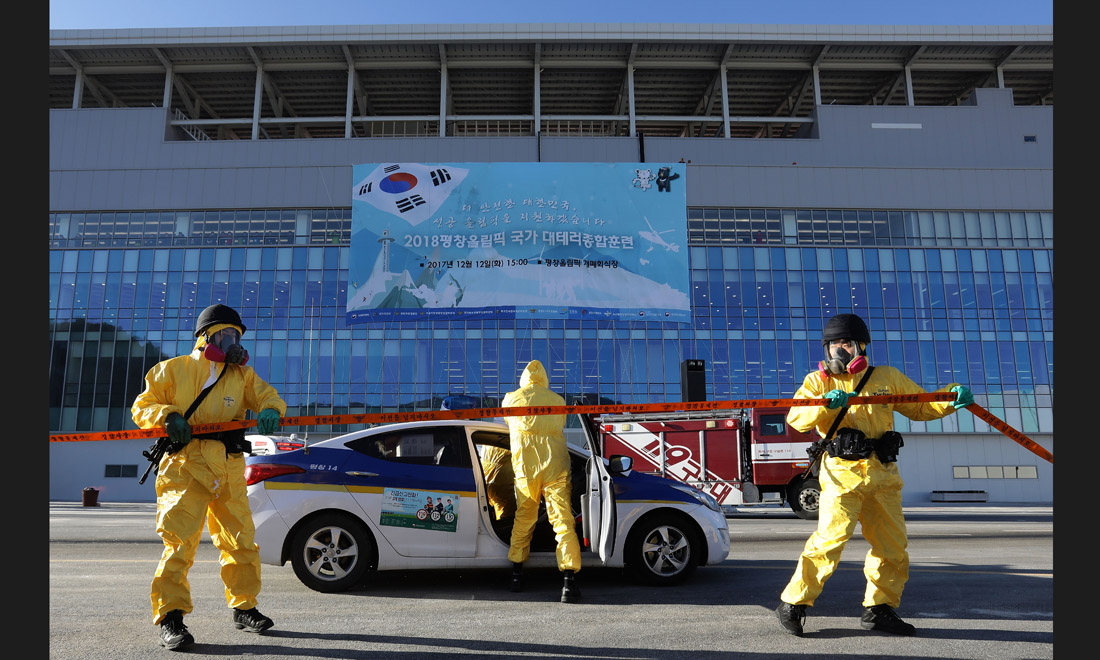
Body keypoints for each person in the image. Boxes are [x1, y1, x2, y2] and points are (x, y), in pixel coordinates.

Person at [775, 313, 973, 637]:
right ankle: (793, 604)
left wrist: (950, 398)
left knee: (892, 548)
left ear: (861, 348)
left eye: (847, 345)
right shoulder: (817, 382)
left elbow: (920, 407)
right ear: (826, 350)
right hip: (842, 477)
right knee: (829, 543)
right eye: (834, 346)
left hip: (883, 476)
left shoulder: (886, 377)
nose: (840, 352)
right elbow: (797, 418)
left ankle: (879, 609)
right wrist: (824, 404)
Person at [132, 303, 287, 651]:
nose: (231, 340)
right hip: (185, 468)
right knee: (179, 545)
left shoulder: (242, 376)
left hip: (228, 466)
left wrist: (271, 409)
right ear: (204, 338)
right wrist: (168, 415)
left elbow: (268, 396)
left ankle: (244, 606)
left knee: (241, 541)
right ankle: (170, 617)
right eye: (224, 334)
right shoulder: (171, 370)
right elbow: (143, 405)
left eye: (235, 334)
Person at [501, 359, 582, 603]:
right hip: (555, 464)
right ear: (545, 378)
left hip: (526, 467)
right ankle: (568, 582)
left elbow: (508, 422)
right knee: (562, 520)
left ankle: (516, 574)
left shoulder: (510, 399)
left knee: (525, 516)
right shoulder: (557, 401)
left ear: (523, 379)